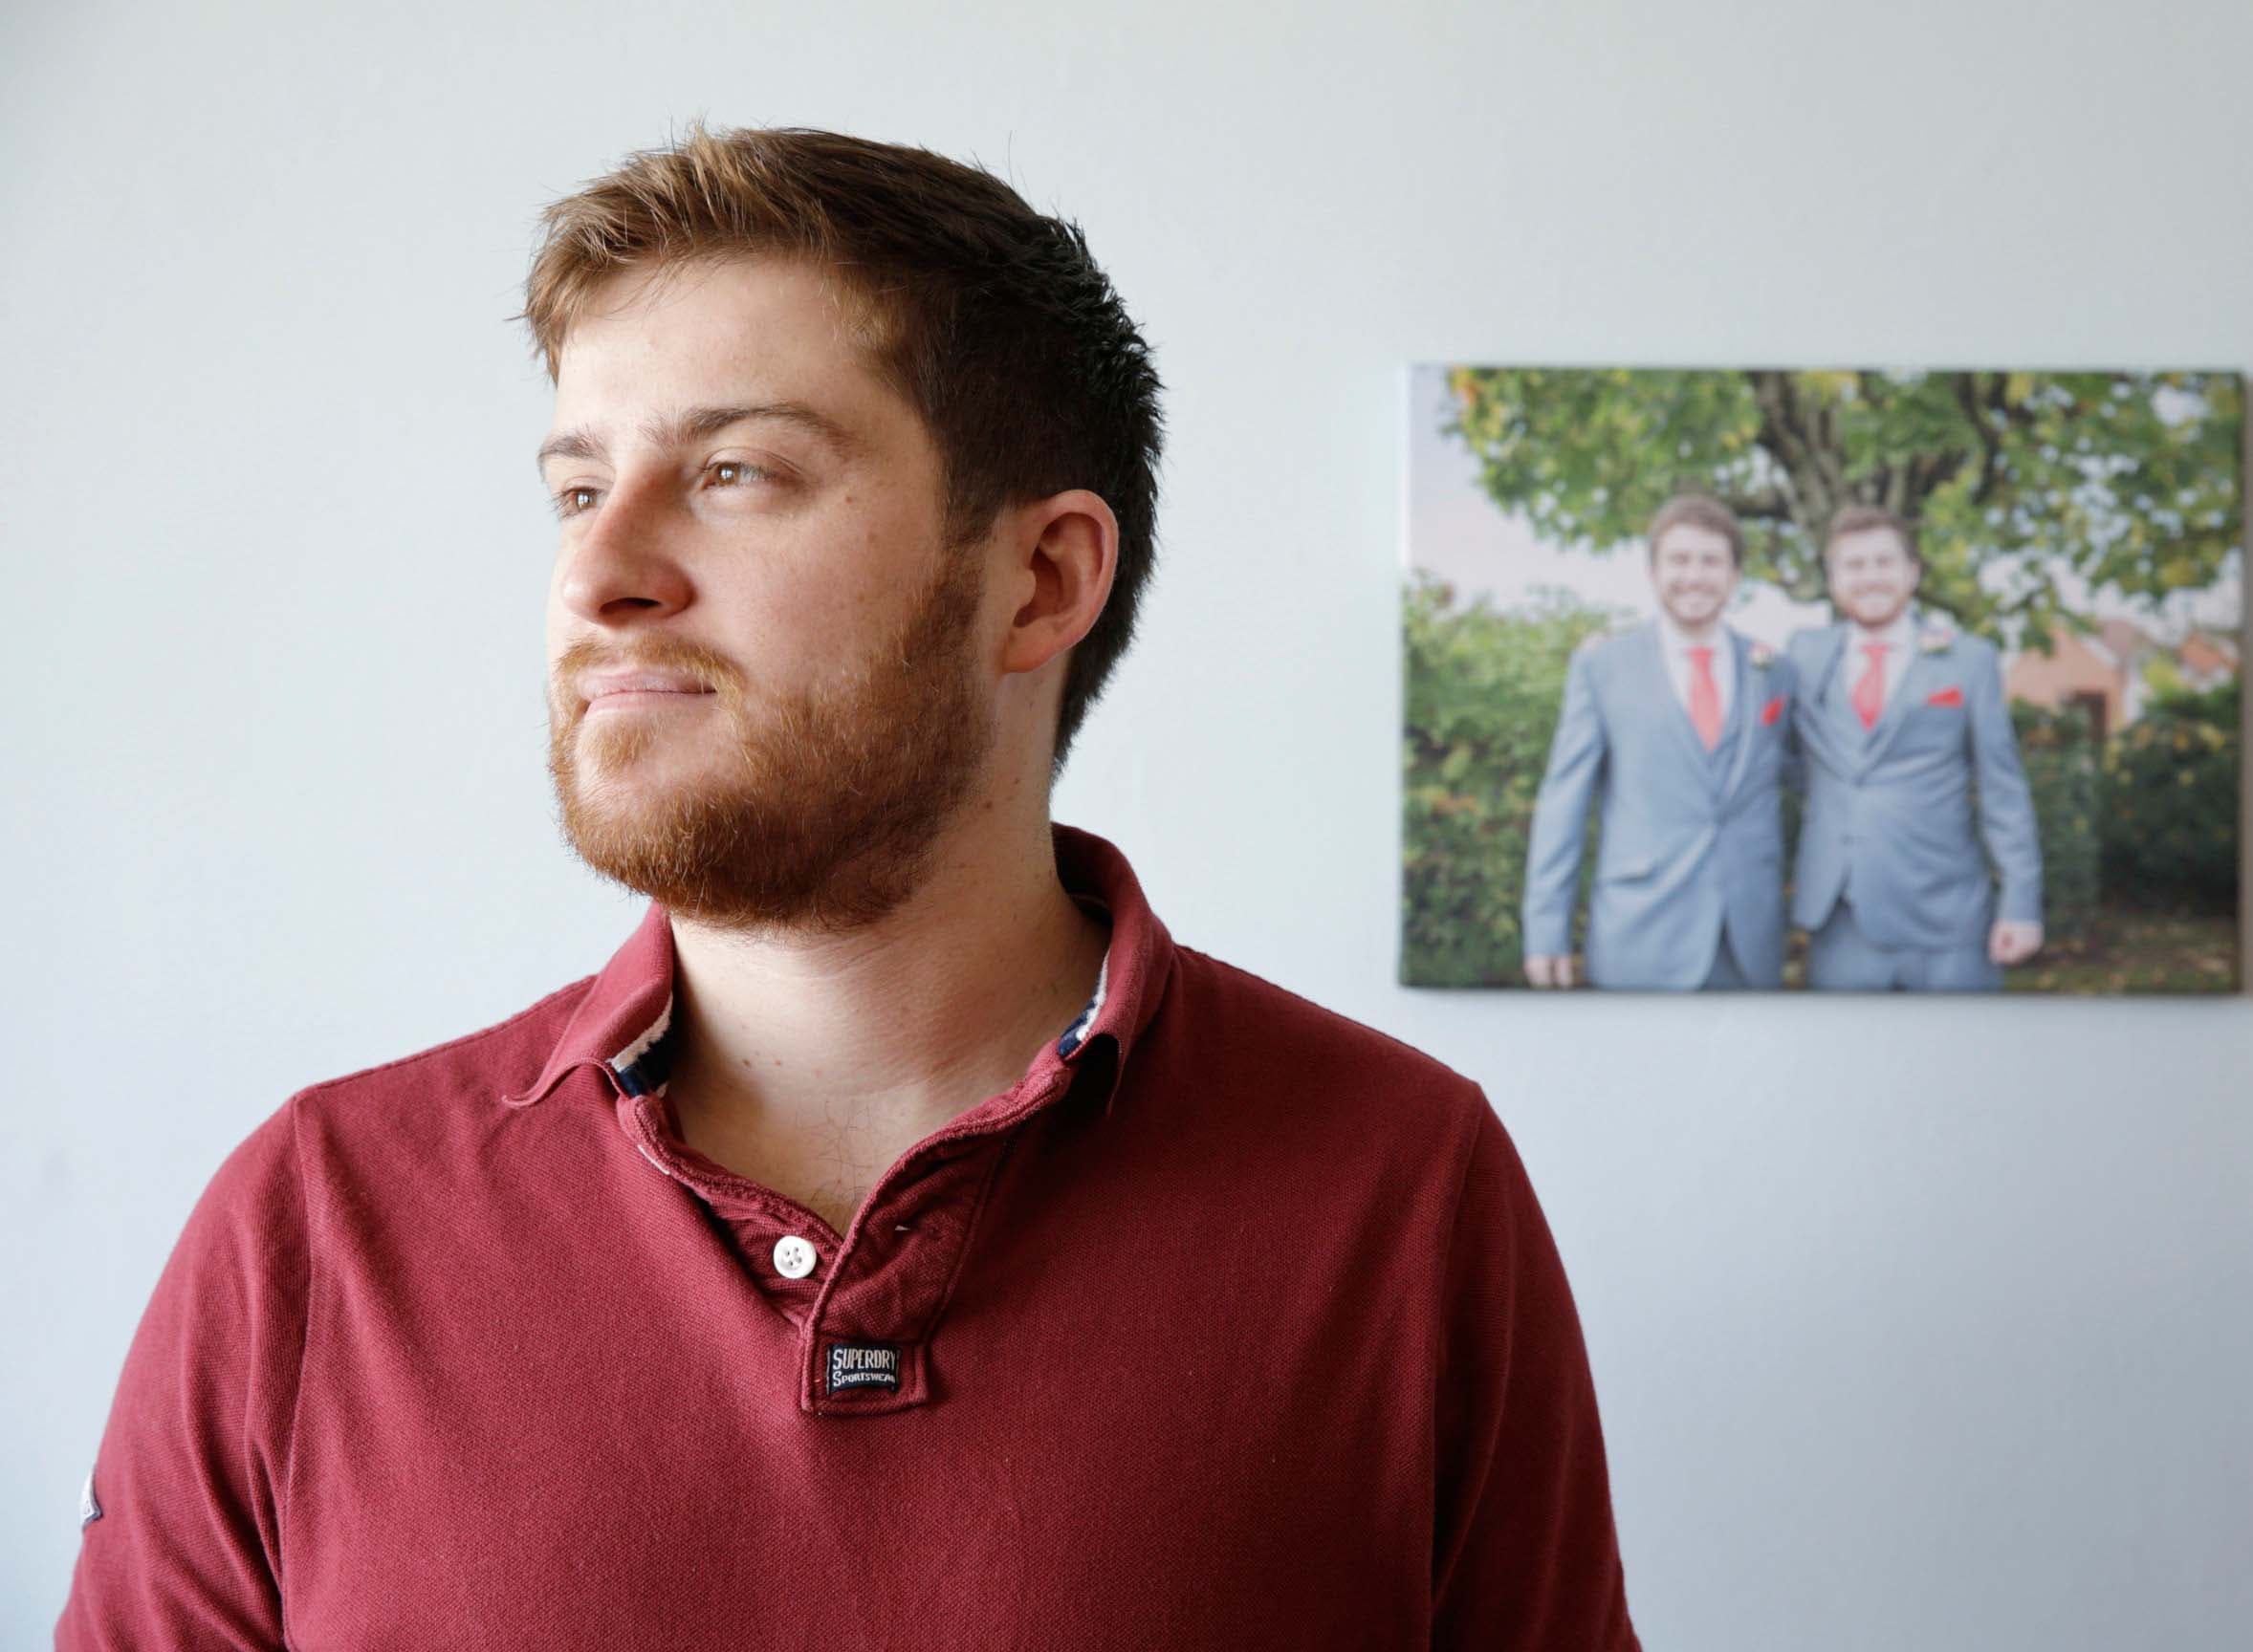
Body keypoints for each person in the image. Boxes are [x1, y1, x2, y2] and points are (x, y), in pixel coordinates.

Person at [56, 123, 1639, 1649]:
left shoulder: (1402, 1184)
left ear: (1039, 579)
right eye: (574, 484)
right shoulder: (315, 1223)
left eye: (737, 470)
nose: (598, 573)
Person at [1520, 494, 1798, 990]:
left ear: (1735, 576)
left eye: (1711, 561)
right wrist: (1545, 930)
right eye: (1679, 560)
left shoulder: (1774, 670)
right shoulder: (1603, 667)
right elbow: (1564, 802)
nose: (1694, 576)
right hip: (1639, 929)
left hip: (1749, 936)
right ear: (1653, 572)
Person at [1782, 505, 2044, 990]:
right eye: (1854, 566)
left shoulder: (1969, 660)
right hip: (1840, 917)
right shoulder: (1803, 655)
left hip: (1948, 920)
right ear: (1833, 579)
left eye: (1884, 563)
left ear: (1912, 572)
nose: (1870, 578)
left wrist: (2021, 904)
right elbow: (1788, 763)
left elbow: (2002, 788)